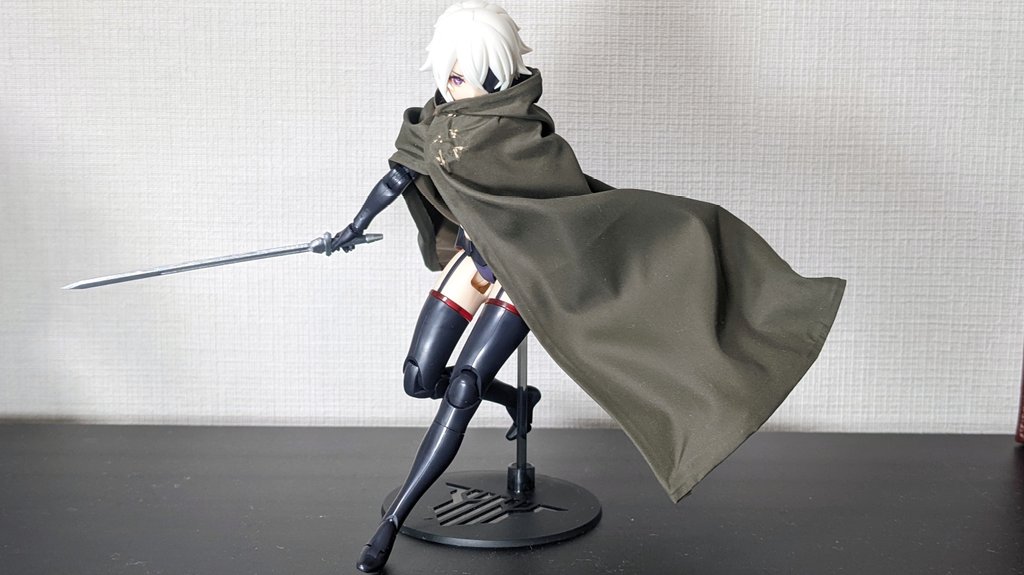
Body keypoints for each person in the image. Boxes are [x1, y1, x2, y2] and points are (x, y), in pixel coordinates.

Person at [332, 2, 845, 572]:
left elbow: (565, 216)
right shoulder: (433, 124)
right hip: (475, 261)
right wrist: (351, 229)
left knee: (463, 388)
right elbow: (400, 174)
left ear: (497, 78)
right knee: (419, 378)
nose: (449, 89)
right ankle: (517, 398)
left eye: (463, 78)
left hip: (523, 276)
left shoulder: (527, 140)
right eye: (445, 75)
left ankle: (393, 521)